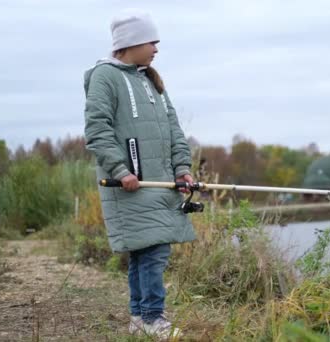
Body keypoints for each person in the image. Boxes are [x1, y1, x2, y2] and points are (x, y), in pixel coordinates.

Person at [83, 8, 195, 338]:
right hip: (130, 185)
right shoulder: (105, 77)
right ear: (131, 42)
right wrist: (121, 169)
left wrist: (183, 168)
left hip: (160, 183)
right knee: (153, 250)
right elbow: (97, 130)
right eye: (152, 41)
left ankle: (139, 318)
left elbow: (174, 129)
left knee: (146, 249)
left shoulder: (150, 79)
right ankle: (152, 318)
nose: (157, 48)